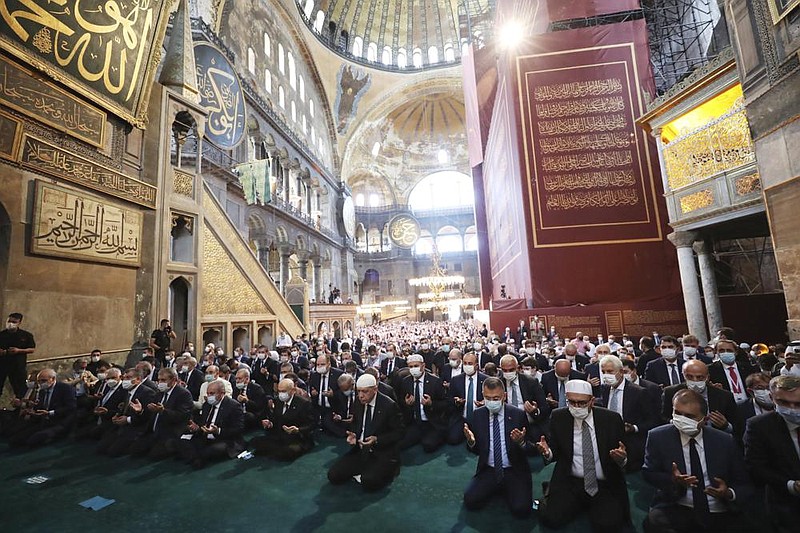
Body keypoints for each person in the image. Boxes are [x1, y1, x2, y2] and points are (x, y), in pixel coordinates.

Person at [642, 389, 753, 532]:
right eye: (677, 413)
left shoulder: (724, 441)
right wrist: (673, 479)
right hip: (677, 505)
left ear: (704, 419)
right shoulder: (658, 437)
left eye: (689, 416)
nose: (682, 419)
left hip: (718, 508)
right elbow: (649, 472)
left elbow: (743, 482)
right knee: (654, 522)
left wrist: (728, 493)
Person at [536, 379, 630, 532]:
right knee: (550, 519)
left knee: (608, 525)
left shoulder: (611, 419)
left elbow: (625, 453)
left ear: (592, 401)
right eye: (571, 402)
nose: (576, 407)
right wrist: (547, 453)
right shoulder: (559, 417)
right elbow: (555, 450)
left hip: (602, 482)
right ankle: (551, 491)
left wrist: (622, 459)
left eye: (581, 403)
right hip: (571, 480)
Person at [462, 377, 533, 518]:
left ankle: (506, 488)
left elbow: (532, 449)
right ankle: (498, 487)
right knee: (470, 501)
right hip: (488, 469)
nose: (491, 401)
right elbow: (476, 450)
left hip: (514, 469)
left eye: (496, 398)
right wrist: (471, 442)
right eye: (488, 398)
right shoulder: (478, 415)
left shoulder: (518, 415)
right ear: (483, 396)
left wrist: (521, 442)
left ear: (504, 396)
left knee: (522, 510)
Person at [327, 374, 405, 491]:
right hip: (361, 449)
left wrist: (376, 439)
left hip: (382, 451)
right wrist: (354, 434)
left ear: (375, 389)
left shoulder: (389, 406)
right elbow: (356, 423)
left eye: (365, 391)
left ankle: (389, 470)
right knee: (333, 476)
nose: (361, 396)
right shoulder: (358, 402)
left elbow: (399, 432)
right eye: (358, 392)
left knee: (369, 483)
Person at [743, 375, 800, 533]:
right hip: (785, 509)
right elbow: (755, 467)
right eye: (783, 402)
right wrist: (791, 485)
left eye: (798, 404)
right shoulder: (759, 427)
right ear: (772, 398)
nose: (792, 408)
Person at [598, 355, 657, 471]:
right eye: (603, 372)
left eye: (610, 371)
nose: (606, 375)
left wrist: (634, 428)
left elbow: (653, 421)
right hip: (608, 442)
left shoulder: (639, 392)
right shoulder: (604, 389)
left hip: (632, 445)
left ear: (620, 372)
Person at [661, 360, 741, 440]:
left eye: (700, 377)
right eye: (689, 377)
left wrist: (725, 426)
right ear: (683, 376)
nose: (695, 380)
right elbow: (663, 418)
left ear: (707, 377)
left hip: (714, 439)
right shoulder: (670, 392)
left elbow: (737, 426)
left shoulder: (724, 396)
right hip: (680, 438)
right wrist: (676, 422)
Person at [127, 367, 193, 459]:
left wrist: (163, 411)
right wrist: (140, 411)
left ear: (173, 380)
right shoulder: (159, 393)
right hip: (154, 432)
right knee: (134, 450)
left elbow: (181, 416)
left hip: (170, 432)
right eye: (159, 380)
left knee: (154, 455)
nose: (160, 383)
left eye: (163, 380)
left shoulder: (183, 394)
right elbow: (150, 413)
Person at [179, 380, 244, 469]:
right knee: (184, 440)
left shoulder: (233, 406)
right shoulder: (207, 405)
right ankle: (196, 457)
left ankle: (195, 458)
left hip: (225, 439)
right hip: (206, 436)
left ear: (222, 393)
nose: (209, 396)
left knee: (213, 449)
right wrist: (197, 428)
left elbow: (238, 429)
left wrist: (218, 431)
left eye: (212, 393)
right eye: (208, 393)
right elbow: (202, 424)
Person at [8, 368, 76, 447]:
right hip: (43, 422)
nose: (40, 383)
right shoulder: (42, 391)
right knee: (15, 440)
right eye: (39, 381)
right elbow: (40, 407)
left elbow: (71, 407)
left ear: (53, 379)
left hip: (59, 421)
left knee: (34, 440)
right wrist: (32, 412)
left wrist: (50, 413)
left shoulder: (65, 389)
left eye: (43, 381)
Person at [250, 378, 315, 461]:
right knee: (255, 441)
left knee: (288, 451)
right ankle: (275, 450)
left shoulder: (304, 403)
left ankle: (273, 451)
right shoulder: (278, 400)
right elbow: (275, 418)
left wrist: (298, 430)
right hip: (280, 435)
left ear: (293, 390)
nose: (281, 394)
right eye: (279, 391)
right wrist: (270, 423)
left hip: (297, 438)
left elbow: (312, 424)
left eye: (283, 391)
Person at [399, 354, 448, 452]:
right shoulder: (405, 381)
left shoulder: (435, 381)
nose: (413, 369)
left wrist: (431, 404)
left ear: (423, 366)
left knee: (429, 446)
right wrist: (406, 404)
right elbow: (401, 403)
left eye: (416, 366)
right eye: (411, 367)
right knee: (401, 444)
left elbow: (446, 403)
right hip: (415, 422)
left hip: (431, 422)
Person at [446, 352, 487, 444]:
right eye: (465, 363)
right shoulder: (455, 380)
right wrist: (456, 402)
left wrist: (485, 402)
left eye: (470, 364)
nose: (467, 366)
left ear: (476, 366)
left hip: (479, 417)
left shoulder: (486, 380)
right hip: (461, 417)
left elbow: (491, 398)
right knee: (453, 440)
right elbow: (449, 400)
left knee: (482, 442)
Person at [708, 339, 758, 404]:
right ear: (716, 352)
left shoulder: (749, 368)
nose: (725, 353)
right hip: (727, 406)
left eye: (729, 350)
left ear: (736, 352)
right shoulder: (710, 370)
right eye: (722, 351)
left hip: (748, 404)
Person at [0, 313, 36, 399]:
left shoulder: (26, 335)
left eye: (14, 322)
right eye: (9, 321)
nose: (10, 324)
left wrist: (18, 350)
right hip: (2, 365)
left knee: (20, 389)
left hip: (17, 366)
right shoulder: (1, 335)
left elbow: (32, 349)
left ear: (19, 323)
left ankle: (19, 408)